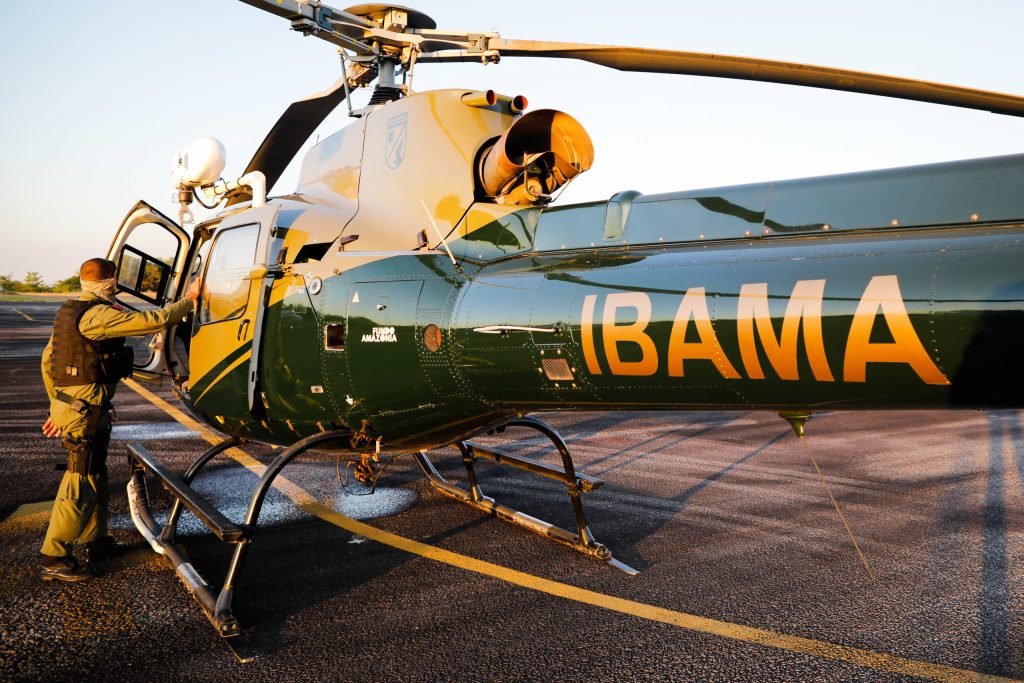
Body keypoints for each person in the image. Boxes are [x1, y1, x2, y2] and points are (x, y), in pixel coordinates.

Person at [38, 257, 200, 582]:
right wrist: (191, 299)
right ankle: (54, 555)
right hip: (82, 410)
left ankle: (94, 541)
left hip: (77, 407)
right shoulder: (97, 316)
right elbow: (156, 320)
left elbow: (47, 360)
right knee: (80, 478)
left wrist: (56, 405)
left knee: (95, 472)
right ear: (109, 282)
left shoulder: (73, 310)